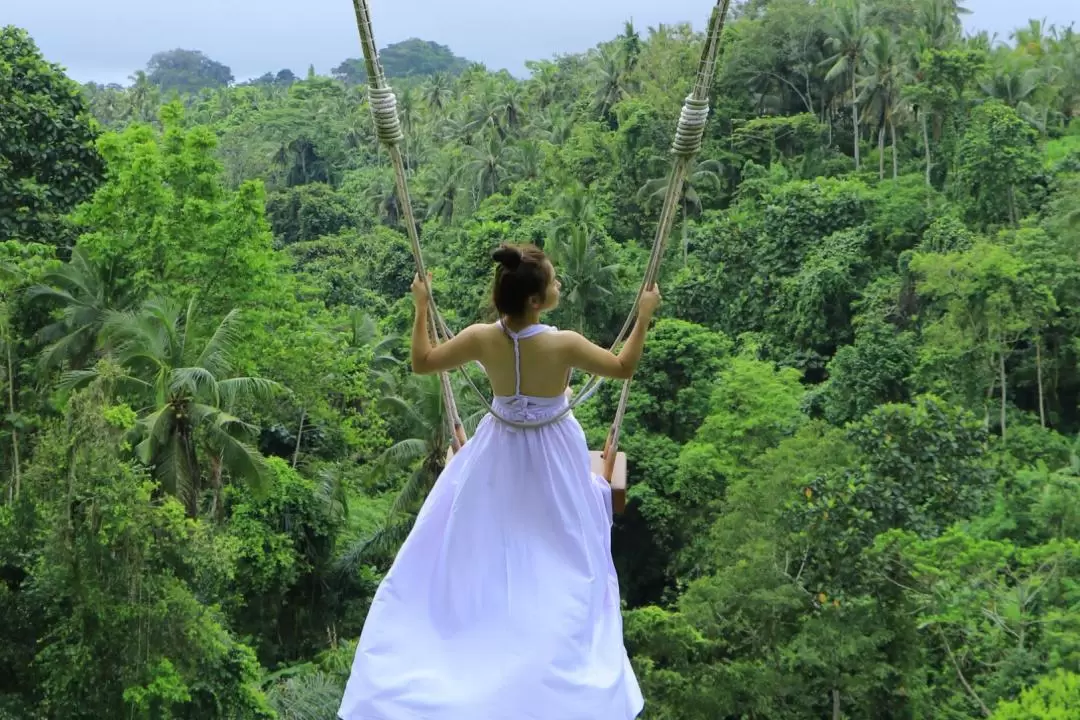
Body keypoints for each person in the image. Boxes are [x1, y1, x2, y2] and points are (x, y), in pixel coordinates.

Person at [338, 242, 661, 720]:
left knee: (491, 540)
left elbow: (423, 361)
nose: (558, 287)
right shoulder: (563, 344)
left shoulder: (480, 338)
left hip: (500, 445)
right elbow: (623, 367)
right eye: (552, 283)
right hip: (552, 451)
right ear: (535, 300)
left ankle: (480, 639)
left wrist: (422, 306)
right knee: (561, 547)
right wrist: (644, 316)